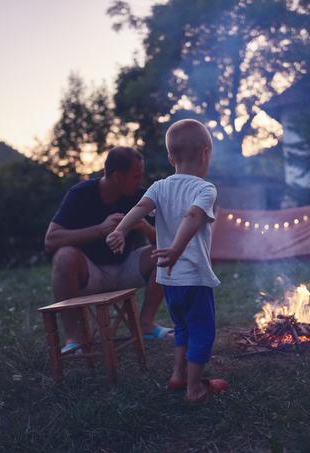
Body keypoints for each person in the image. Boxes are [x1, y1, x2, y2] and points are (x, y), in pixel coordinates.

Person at [106, 119, 227, 402]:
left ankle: (177, 375)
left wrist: (119, 230)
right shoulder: (205, 189)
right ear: (205, 153)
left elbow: (139, 208)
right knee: (201, 331)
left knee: (182, 326)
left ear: (171, 157)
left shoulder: (159, 187)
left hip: (168, 279)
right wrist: (175, 249)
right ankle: (194, 388)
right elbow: (193, 216)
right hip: (193, 277)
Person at [44, 146, 171, 355]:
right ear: (118, 177)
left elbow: (165, 241)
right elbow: (51, 240)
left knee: (164, 253)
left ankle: (146, 325)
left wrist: (145, 227)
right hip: (89, 272)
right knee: (64, 256)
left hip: (125, 267)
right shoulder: (81, 194)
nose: (141, 181)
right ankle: (75, 338)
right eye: (136, 177)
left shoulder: (140, 197)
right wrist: (100, 230)